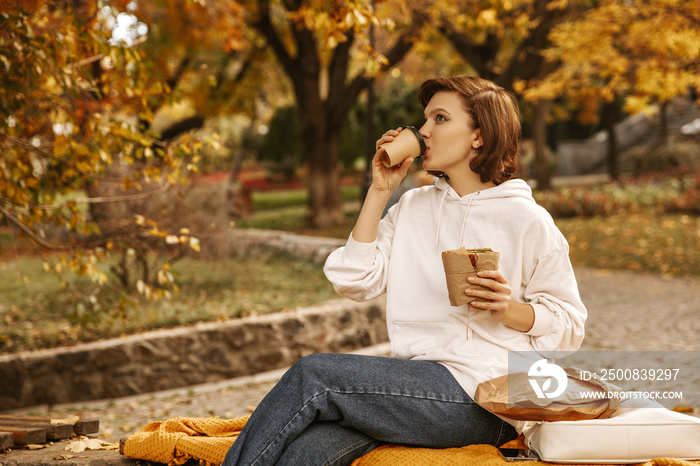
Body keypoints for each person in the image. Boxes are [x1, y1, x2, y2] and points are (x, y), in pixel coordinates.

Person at [222, 75, 587, 466]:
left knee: (314, 375)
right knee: (307, 450)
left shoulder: (527, 219)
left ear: (479, 135)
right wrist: (379, 190)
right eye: (425, 119)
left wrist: (507, 308)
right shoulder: (413, 207)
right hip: (413, 390)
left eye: (440, 119)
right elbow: (353, 280)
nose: (423, 131)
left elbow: (569, 325)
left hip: (490, 401)